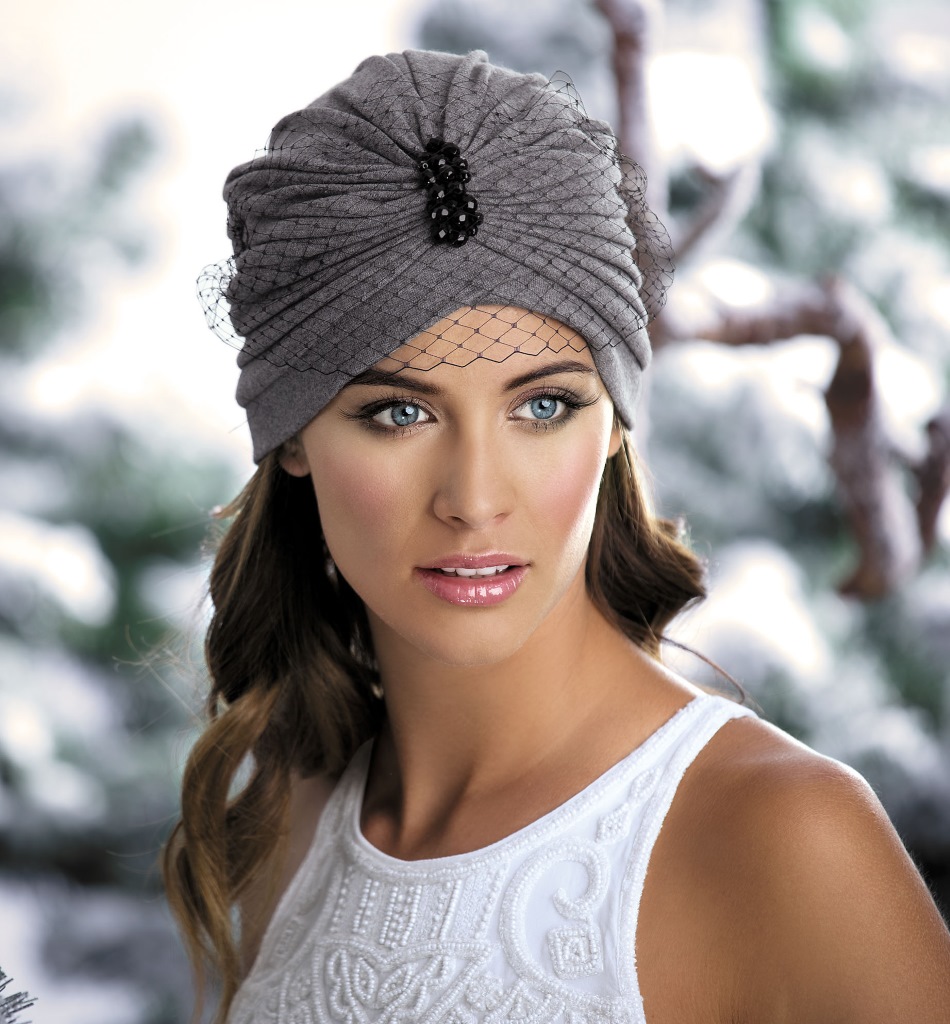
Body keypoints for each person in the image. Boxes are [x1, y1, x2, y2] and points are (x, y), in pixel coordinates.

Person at [164, 48, 950, 1024]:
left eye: (541, 405)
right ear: (291, 436)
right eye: (399, 413)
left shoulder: (782, 839)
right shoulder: (290, 810)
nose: (473, 498)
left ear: (614, 421)